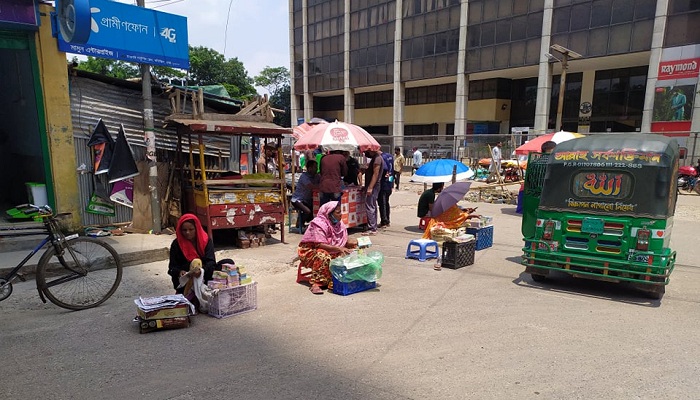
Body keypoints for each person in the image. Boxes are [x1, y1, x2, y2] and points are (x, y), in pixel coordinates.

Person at [298, 201, 358, 294]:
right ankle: (316, 284)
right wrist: (339, 249)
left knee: (353, 249)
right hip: (310, 251)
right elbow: (319, 244)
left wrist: (353, 242)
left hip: (332, 249)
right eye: (338, 213)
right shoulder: (318, 224)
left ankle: (332, 279)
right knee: (322, 255)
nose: (341, 215)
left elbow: (341, 239)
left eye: (340, 212)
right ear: (329, 214)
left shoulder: (339, 224)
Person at [167, 214, 234, 296]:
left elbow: (211, 262)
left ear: (196, 228)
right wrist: (180, 272)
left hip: (204, 274)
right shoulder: (176, 244)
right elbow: (172, 268)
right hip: (187, 277)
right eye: (184, 230)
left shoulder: (206, 240)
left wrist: (202, 271)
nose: (188, 233)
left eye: (191, 229)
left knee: (228, 263)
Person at [291, 159, 319, 233]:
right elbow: (310, 186)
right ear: (310, 168)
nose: (316, 169)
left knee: (317, 210)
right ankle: (299, 224)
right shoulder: (304, 176)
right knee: (308, 211)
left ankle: (304, 222)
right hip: (297, 199)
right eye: (315, 167)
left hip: (307, 200)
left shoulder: (316, 176)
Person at [363, 148, 384, 235]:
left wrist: (370, 187)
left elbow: (375, 174)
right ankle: (373, 226)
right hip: (374, 185)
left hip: (374, 186)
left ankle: (372, 228)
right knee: (372, 206)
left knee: (370, 206)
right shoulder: (376, 158)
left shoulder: (377, 159)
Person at [378, 151, 394, 228]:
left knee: (382, 203)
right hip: (389, 182)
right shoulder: (390, 156)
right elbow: (392, 171)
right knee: (386, 202)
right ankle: (387, 219)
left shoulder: (382, 157)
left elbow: (385, 169)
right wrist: (391, 183)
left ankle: (384, 221)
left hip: (383, 183)